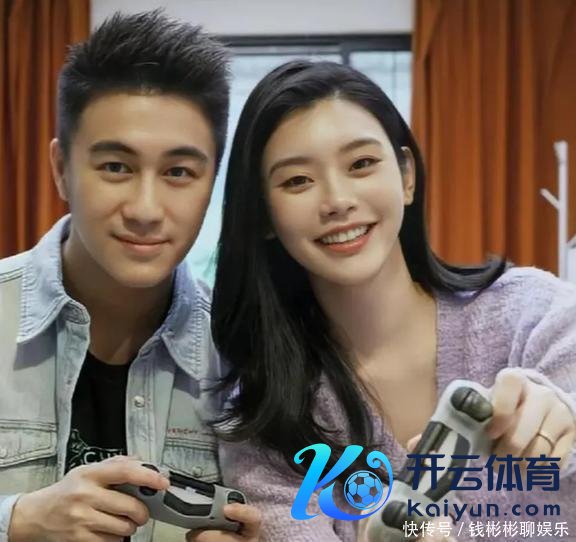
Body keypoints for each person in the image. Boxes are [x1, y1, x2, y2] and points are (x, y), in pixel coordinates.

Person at [211, 60, 576, 541]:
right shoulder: (269, 419)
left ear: (406, 175)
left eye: (361, 164)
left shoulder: (534, 314)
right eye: (297, 180)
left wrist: (564, 418)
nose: (337, 200)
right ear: (262, 215)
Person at [0, 10, 260, 542]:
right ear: (60, 169)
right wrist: (18, 520)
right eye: (116, 167)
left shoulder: (245, 354)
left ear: (213, 180)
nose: (145, 209)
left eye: (178, 172)